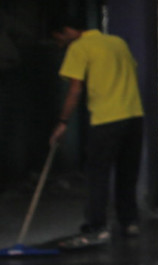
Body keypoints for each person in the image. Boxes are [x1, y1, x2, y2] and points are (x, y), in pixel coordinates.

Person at [50, 22, 144, 247]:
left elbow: (75, 88)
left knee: (97, 174)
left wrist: (63, 122)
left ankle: (96, 227)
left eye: (59, 38)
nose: (60, 44)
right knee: (126, 173)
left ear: (68, 30)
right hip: (133, 116)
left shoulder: (80, 47)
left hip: (106, 119)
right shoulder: (118, 42)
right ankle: (129, 222)